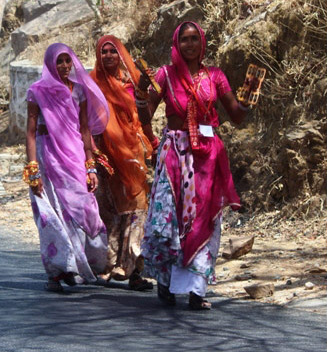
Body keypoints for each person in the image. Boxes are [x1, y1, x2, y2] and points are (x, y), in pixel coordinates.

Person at [138, 21, 250, 310]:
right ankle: (165, 282)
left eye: (194, 39)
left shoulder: (215, 76)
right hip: (175, 152)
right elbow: (146, 116)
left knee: (204, 219)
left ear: (202, 43)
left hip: (207, 156)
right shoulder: (164, 75)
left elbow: (235, 115)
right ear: (177, 43)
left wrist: (250, 100)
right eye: (184, 39)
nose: (190, 44)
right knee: (171, 219)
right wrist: (141, 99)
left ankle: (197, 290)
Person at [24, 43, 110, 292]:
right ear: (50, 63)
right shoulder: (37, 91)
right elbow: (30, 133)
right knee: (52, 214)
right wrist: (33, 169)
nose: (63, 66)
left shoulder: (79, 91)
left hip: (73, 156)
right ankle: (57, 271)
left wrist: (90, 165)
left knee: (79, 210)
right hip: (46, 157)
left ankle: (74, 266)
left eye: (67, 61)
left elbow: (84, 130)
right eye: (58, 61)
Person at [89, 35, 154, 291]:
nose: (107, 56)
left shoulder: (133, 83)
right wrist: (91, 153)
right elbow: (84, 121)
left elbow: (144, 114)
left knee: (137, 208)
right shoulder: (92, 84)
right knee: (110, 210)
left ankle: (134, 270)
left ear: (120, 55)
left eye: (112, 52)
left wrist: (150, 141)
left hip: (132, 153)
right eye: (103, 52)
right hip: (104, 154)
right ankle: (108, 266)